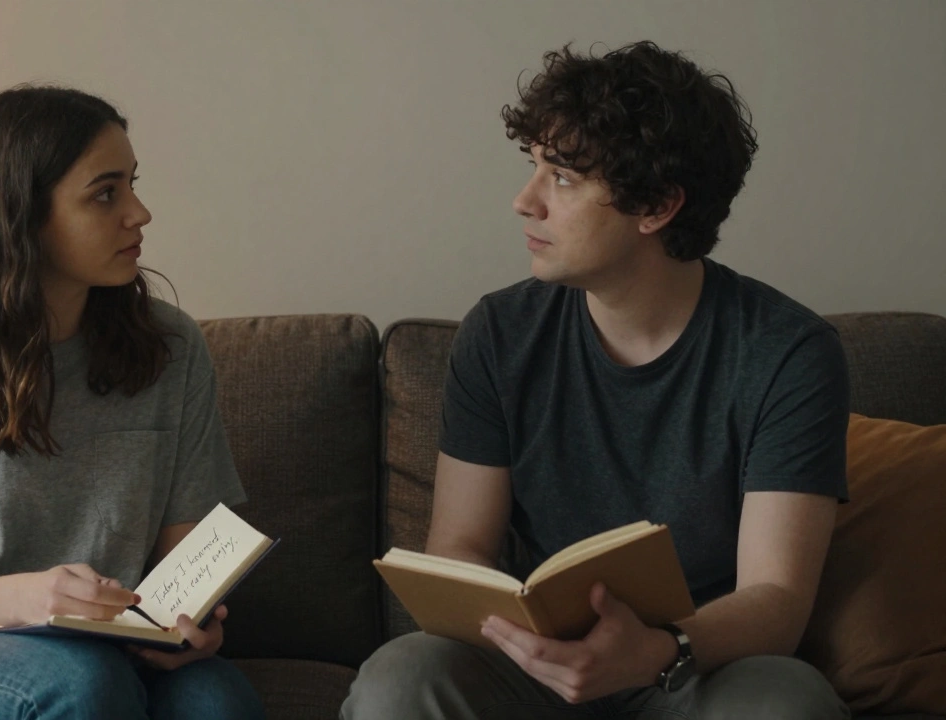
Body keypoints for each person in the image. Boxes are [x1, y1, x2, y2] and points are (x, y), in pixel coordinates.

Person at [343, 41, 851, 719]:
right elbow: (460, 545)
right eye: (532, 168)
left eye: (562, 177)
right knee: (398, 679)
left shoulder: (788, 354)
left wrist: (658, 648)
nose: (524, 202)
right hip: (530, 667)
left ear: (657, 207)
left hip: (693, 669)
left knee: (789, 704)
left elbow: (777, 600)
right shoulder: (498, 334)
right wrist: (522, 632)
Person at [0, 85, 266, 720]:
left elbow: (184, 561)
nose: (140, 212)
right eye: (106, 193)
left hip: (112, 649)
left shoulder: (172, 348)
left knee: (217, 700)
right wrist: (42, 598)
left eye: (133, 184)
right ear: (23, 214)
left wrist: (189, 624)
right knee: (81, 684)